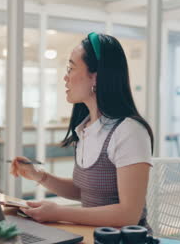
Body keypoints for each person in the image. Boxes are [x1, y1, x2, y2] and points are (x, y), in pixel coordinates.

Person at [10, 32, 154, 231]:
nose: (65, 77)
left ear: (95, 76)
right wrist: (38, 176)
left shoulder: (129, 131)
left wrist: (58, 212)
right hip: (90, 235)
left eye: (70, 68)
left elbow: (129, 214)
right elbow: (83, 191)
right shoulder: (85, 128)